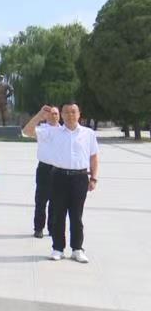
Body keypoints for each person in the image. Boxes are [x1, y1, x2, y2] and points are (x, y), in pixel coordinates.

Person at [23, 103, 98, 263]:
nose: (70, 115)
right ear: (62, 115)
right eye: (66, 112)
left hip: (79, 177)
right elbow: (27, 132)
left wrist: (94, 178)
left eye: (73, 112)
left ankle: (77, 249)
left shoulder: (88, 133)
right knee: (58, 214)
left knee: (76, 216)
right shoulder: (53, 132)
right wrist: (39, 116)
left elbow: (93, 156)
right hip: (59, 177)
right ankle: (58, 248)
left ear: (79, 114)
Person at [28, 106, 59, 238]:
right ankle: (38, 228)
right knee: (41, 200)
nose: (54, 116)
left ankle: (53, 228)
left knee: (56, 201)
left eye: (56, 113)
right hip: (44, 168)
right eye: (51, 113)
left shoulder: (63, 130)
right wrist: (38, 115)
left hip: (59, 169)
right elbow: (27, 131)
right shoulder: (42, 129)